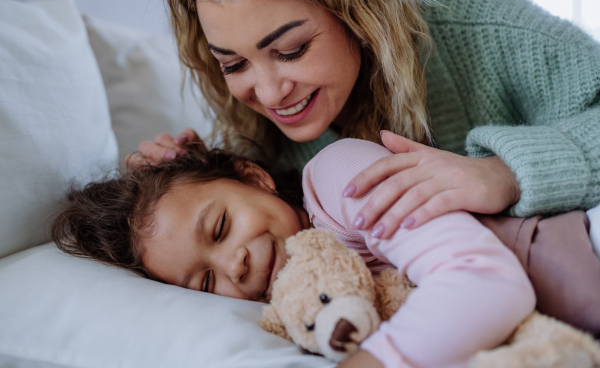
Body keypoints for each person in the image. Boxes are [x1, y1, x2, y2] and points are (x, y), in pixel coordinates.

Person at [131, 0, 600, 243]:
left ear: (358, 13)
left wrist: (504, 173)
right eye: (234, 65)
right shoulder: (259, 133)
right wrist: (179, 184)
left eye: (291, 50)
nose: (270, 94)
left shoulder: (466, 18)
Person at [53, 139, 535, 368]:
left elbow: (485, 280)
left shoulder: (336, 179)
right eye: (205, 283)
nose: (233, 267)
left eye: (220, 227)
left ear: (255, 177)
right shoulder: (298, 313)